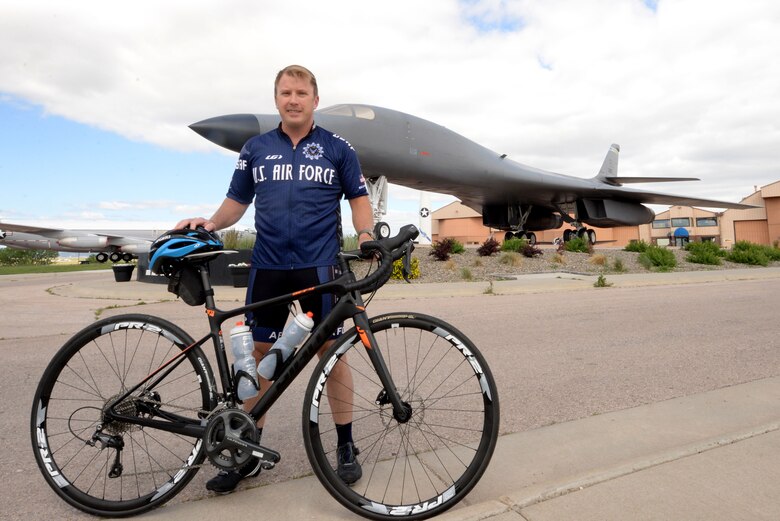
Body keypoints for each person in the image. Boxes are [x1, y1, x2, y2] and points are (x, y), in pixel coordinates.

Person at [176, 65, 375, 493]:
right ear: (276, 99)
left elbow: (359, 199)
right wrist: (209, 224)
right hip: (267, 269)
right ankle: (247, 449)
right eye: (285, 92)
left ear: (315, 99)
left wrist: (366, 234)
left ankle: (345, 446)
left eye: (301, 92)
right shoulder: (256, 148)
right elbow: (235, 203)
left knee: (331, 353)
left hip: (318, 270)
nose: (293, 99)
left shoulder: (338, 148)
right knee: (260, 355)